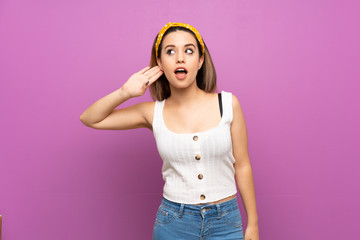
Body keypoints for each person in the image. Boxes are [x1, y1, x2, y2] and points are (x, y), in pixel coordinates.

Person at [80, 22, 259, 240]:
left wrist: (253, 224)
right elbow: (90, 118)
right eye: (170, 51)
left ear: (200, 60)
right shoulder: (151, 112)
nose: (180, 58)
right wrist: (124, 92)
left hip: (226, 222)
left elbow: (242, 165)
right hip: (174, 223)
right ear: (160, 62)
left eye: (189, 51)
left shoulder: (229, 104)